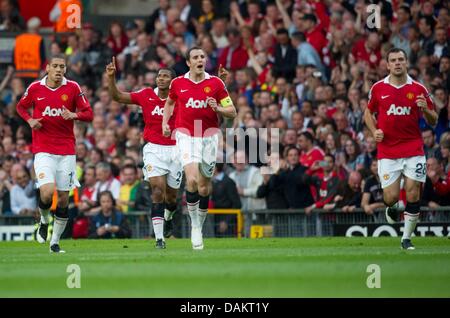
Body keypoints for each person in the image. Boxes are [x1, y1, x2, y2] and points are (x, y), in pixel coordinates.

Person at [15, 54, 93, 253]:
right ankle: (43, 220)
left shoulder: (73, 87)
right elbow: (21, 107)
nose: (59, 70)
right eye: (56, 66)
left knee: (64, 198)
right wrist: (30, 120)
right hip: (43, 150)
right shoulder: (35, 88)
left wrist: (74, 114)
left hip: (67, 151)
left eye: (62, 67)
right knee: (47, 192)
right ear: (47, 68)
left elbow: (89, 114)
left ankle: (55, 242)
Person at [162, 46, 237, 250]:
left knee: (204, 186)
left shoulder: (215, 83)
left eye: (202, 56)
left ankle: (199, 225)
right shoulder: (178, 83)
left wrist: (218, 108)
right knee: (192, 180)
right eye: (195, 57)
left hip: (209, 137)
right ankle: (195, 227)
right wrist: (165, 122)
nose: (199, 59)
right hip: (186, 135)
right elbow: (169, 103)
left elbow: (232, 111)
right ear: (188, 62)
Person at [364, 47, 438, 250]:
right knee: (391, 197)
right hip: (388, 152)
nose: (397, 63)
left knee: (413, 194)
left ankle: (406, 239)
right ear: (387, 65)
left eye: (401, 59)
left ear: (406, 63)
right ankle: (392, 208)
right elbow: (367, 114)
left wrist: (425, 109)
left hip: (413, 148)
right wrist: (374, 131)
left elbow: (434, 120)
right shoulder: (378, 88)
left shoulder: (419, 89)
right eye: (393, 60)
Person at [106, 59, 179, 249]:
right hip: (153, 148)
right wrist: (111, 77)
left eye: (165, 76)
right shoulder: (146, 94)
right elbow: (117, 97)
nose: (161, 78)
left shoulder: (180, 98)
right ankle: (159, 239)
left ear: (173, 81)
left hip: (176, 149)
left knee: (171, 198)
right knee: (157, 191)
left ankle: (169, 218)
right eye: (159, 75)